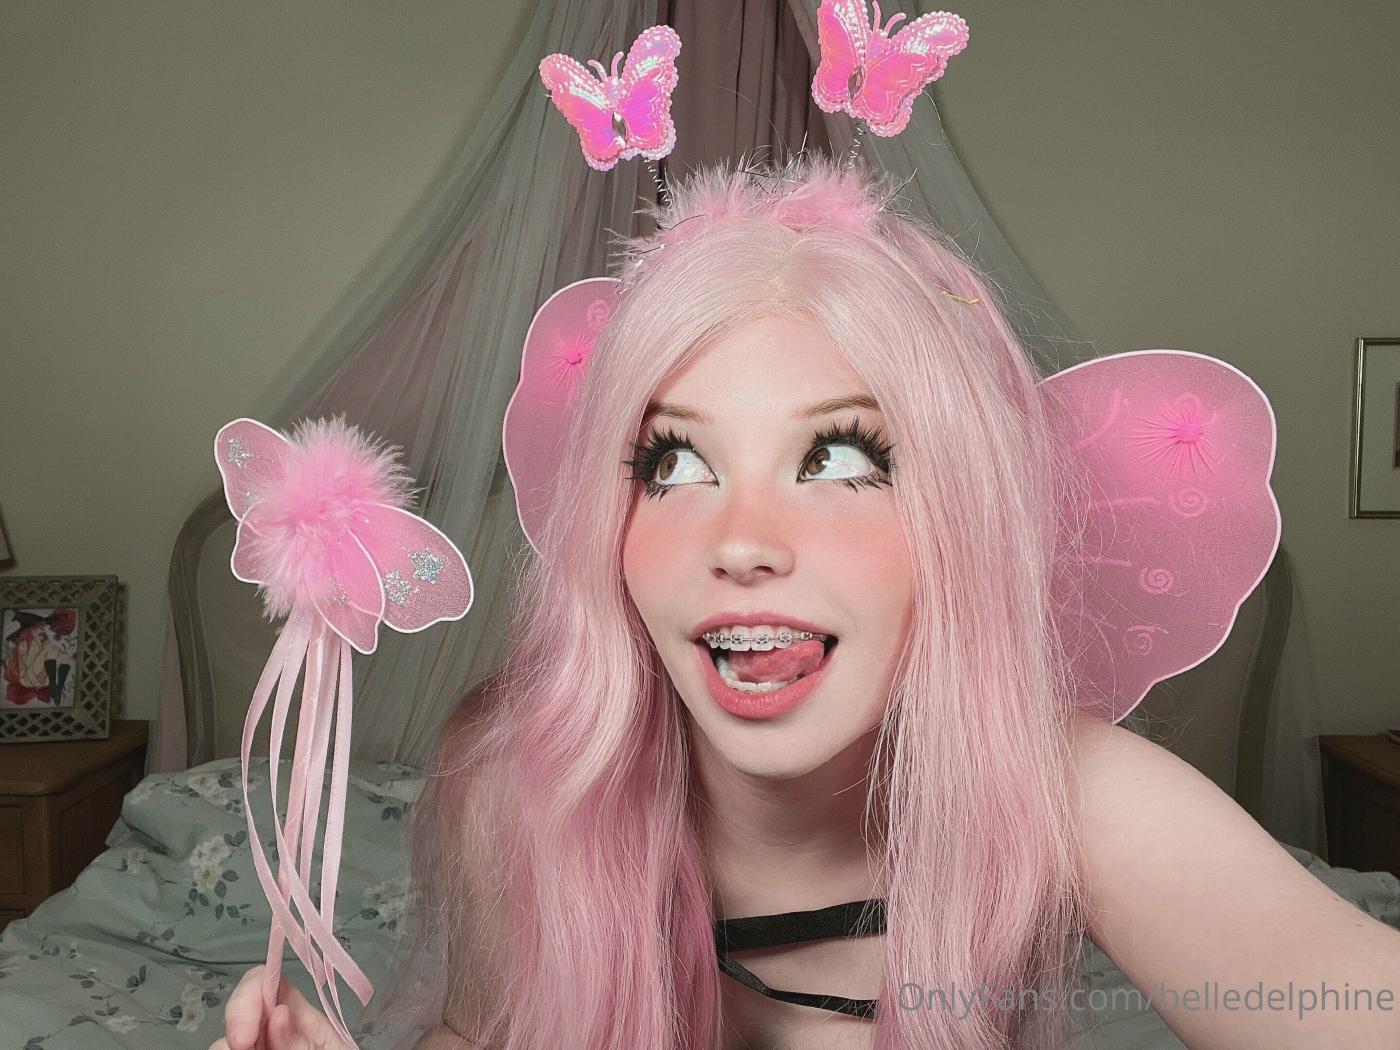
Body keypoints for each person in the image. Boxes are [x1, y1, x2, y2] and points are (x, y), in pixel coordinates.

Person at [216, 155, 1400, 1050]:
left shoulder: (1069, 793)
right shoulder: (521, 780)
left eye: (839, 459)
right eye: (672, 463)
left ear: (963, 521)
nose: (739, 543)